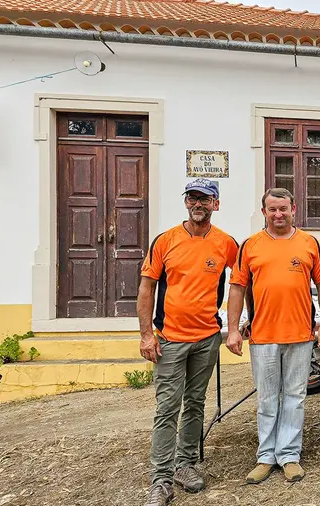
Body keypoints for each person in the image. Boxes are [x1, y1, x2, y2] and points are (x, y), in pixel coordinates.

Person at [137, 179, 239, 506]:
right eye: (193, 198)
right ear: (186, 203)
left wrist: (242, 322)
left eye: (205, 199)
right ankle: (161, 480)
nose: (199, 204)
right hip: (169, 339)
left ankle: (185, 465)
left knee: (195, 404)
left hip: (207, 338)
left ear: (216, 204)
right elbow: (146, 288)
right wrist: (145, 335)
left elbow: (244, 280)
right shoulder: (165, 241)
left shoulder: (225, 243)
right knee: (167, 408)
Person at [225, 187, 320, 484]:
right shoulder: (251, 245)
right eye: (272, 209)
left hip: (300, 333)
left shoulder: (309, 243)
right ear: (264, 212)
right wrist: (234, 328)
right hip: (262, 334)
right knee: (268, 398)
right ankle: (265, 456)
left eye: (283, 208)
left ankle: (289, 455)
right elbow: (237, 287)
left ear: (293, 209)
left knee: (296, 397)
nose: (278, 214)